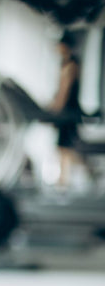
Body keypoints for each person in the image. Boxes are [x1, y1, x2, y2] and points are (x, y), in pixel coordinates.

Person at [48, 30, 90, 188]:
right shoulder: (67, 63)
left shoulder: (71, 65)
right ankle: (64, 179)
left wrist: (56, 109)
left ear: (65, 46)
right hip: (67, 110)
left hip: (68, 111)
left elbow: (64, 90)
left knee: (66, 146)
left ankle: (65, 179)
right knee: (65, 146)